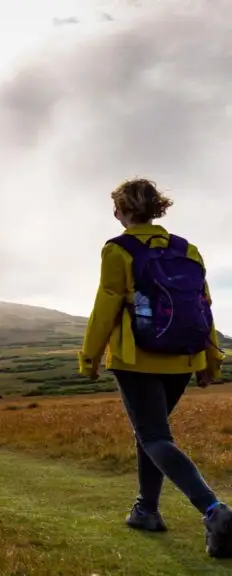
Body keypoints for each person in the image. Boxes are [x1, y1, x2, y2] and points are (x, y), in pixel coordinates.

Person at [78, 178, 231, 558]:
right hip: (182, 356)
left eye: (116, 207)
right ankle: (147, 510)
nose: (115, 213)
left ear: (126, 210)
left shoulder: (118, 250)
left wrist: (89, 356)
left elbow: (106, 306)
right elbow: (203, 308)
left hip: (137, 359)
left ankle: (214, 510)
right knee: (151, 434)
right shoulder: (188, 250)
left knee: (154, 435)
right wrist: (211, 360)